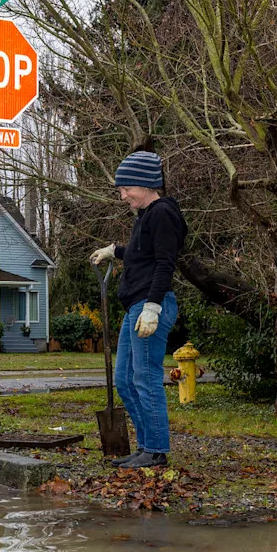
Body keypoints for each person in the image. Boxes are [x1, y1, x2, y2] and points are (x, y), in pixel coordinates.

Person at [90, 151, 187, 469]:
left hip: (150, 305)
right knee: (126, 380)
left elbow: (164, 262)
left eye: (125, 188)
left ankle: (156, 451)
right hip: (137, 305)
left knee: (144, 378)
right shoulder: (147, 217)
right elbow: (142, 253)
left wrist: (153, 306)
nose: (122, 196)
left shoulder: (163, 213)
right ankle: (147, 446)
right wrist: (114, 251)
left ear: (143, 183)